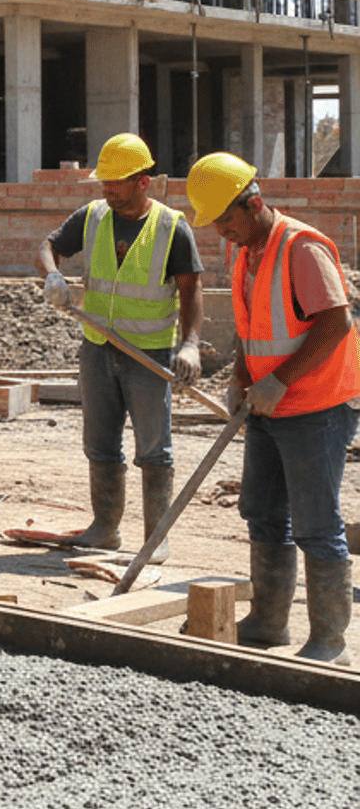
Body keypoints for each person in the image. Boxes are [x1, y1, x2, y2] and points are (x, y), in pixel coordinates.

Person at [188, 153, 354, 664]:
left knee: (315, 524)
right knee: (262, 512)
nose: (222, 231)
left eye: (227, 219)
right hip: (267, 406)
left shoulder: (300, 247)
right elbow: (251, 326)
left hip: (317, 406)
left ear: (253, 202)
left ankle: (330, 640)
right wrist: (242, 378)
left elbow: (337, 323)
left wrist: (280, 380)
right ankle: (268, 623)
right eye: (215, 222)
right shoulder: (246, 253)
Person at [38, 133, 204, 560]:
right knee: (100, 442)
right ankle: (104, 529)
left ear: (143, 181)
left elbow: (190, 290)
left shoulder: (171, 227)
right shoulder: (93, 216)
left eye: (115, 182)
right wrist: (52, 275)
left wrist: (190, 345)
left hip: (147, 354)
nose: (106, 189)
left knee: (154, 448)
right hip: (97, 346)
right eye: (104, 181)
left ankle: (156, 537)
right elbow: (48, 246)